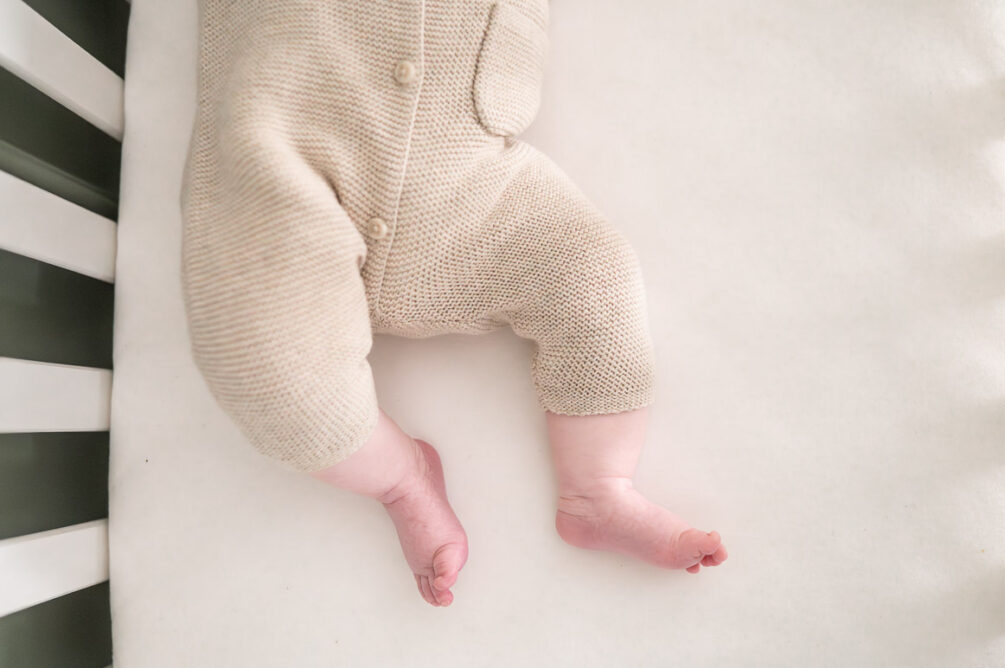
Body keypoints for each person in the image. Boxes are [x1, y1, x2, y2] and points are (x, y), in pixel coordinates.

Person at [179, 0, 728, 608]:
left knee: (591, 272)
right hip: (285, 171)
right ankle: (401, 477)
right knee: (261, 366)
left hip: (467, 190)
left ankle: (598, 490)